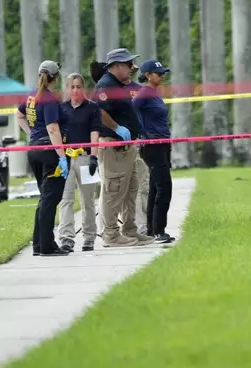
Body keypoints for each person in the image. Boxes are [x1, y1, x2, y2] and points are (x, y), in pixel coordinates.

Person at [93, 48, 154, 247]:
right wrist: (117, 127)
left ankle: (130, 230)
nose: (131, 67)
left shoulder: (119, 84)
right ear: (116, 65)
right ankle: (111, 234)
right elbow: (100, 111)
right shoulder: (106, 86)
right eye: (128, 64)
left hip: (127, 147)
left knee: (130, 189)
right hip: (114, 146)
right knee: (114, 190)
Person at [15, 60, 70, 256]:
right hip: (49, 151)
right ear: (56, 77)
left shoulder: (31, 96)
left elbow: (18, 114)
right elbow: (52, 128)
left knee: (45, 199)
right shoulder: (48, 99)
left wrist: (31, 135)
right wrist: (62, 156)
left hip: (34, 150)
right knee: (50, 199)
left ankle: (39, 244)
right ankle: (46, 246)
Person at [57, 73, 102, 252]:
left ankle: (89, 237)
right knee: (66, 199)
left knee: (87, 200)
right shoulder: (61, 109)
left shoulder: (92, 108)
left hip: (85, 157)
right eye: (72, 87)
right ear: (67, 89)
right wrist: (60, 157)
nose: (75, 90)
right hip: (66, 159)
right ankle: (66, 238)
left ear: (83, 88)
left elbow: (95, 133)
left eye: (79, 86)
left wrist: (94, 157)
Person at [133, 59, 175, 243]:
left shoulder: (154, 94)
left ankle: (152, 229)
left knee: (155, 187)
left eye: (163, 73)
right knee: (164, 187)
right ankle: (159, 231)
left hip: (163, 144)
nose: (162, 76)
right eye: (159, 73)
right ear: (148, 75)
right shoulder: (144, 94)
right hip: (153, 146)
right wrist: (142, 133)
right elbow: (130, 112)